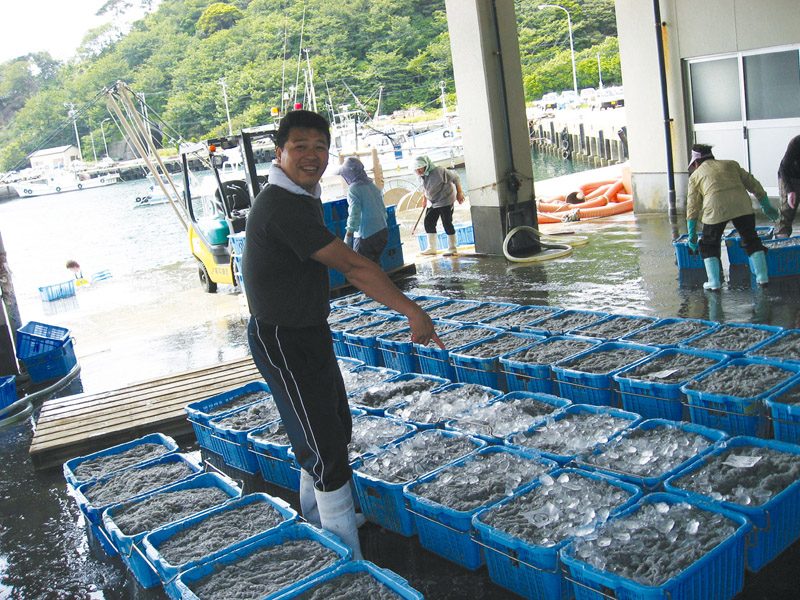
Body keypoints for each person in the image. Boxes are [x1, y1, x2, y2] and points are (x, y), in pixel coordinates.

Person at [241, 110, 443, 560]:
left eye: (319, 147)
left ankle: (319, 519)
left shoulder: (301, 194)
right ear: (280, 152)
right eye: (300, 147)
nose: (311, 156)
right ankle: (343, 551)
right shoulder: (280, 204)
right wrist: (414, 312)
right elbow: (354, 266)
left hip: (309, 328)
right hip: (282, 337)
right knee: (322, 444)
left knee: (330, 426)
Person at [686, 143, 778, 290]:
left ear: (696, 163)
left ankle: (714, 282)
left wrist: (691, 236)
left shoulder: (695, 175)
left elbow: (692, 206)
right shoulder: (731, 164)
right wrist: (765, 205)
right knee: (750, 238)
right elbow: (753, 183)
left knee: (709, 243)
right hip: (742, 205)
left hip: (715, 208)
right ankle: (762, 277)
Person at [338, 156, 389, 264]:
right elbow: (383, 209)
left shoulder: (354, 189)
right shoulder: (373, 186)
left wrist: (348, 235)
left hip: (366, 234)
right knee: (375, 265)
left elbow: (354, 213)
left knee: (362, 267)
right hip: (382, 230)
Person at [414, 155, 465, 256]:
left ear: (426, 165)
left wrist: (459, 193)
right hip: (432, 201)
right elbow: (426, 188)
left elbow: (456, 177)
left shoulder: (439, 171)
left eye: (420, 167)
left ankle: (452, 248)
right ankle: (431, 248)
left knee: (447, 222)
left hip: (445, 199)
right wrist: (425, 200)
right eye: (416, 168)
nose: (418, 170)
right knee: (428, 222)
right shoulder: (420, 175)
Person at [776, 135, 800, 239]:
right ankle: (781, 243)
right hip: (790, 177)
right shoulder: (796, 142)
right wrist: (790, 191)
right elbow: (783, 169)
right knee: (786, 212)